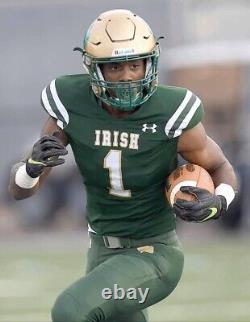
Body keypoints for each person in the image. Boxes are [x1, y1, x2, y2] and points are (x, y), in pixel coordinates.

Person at [9, 9, 238, 322]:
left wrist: (220, 200)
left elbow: (221, 166)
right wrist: (30, 169)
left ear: (150, 63)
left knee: (70, 310)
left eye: (135, 64)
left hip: (154, 252)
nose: (128, 75)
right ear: (94, 68)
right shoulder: (71, 103)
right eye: (115, 66)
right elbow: (21, 192)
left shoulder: (169, 112)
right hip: (101, 251)